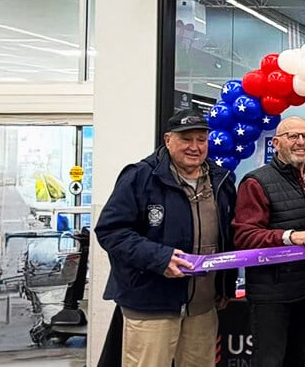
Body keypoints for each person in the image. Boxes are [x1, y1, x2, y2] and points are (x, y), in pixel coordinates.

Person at [95, 108, 237, 367]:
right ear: (168, 139)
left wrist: (225, 286)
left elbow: (228, 236)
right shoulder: (140, 177)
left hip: (202, 307)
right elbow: (111, 231)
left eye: (201, 139)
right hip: (151, 304)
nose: (195, 147)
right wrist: (160, 258)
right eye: (186, 139)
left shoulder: (221, 180)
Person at [231, 116, 305, 367]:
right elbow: (244, 236)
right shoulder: (256, 181)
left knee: (298, 359)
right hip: (271, 294)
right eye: (293, 136)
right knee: (269, 361)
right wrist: (289, 237)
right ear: (275, 143)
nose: (301, 142)